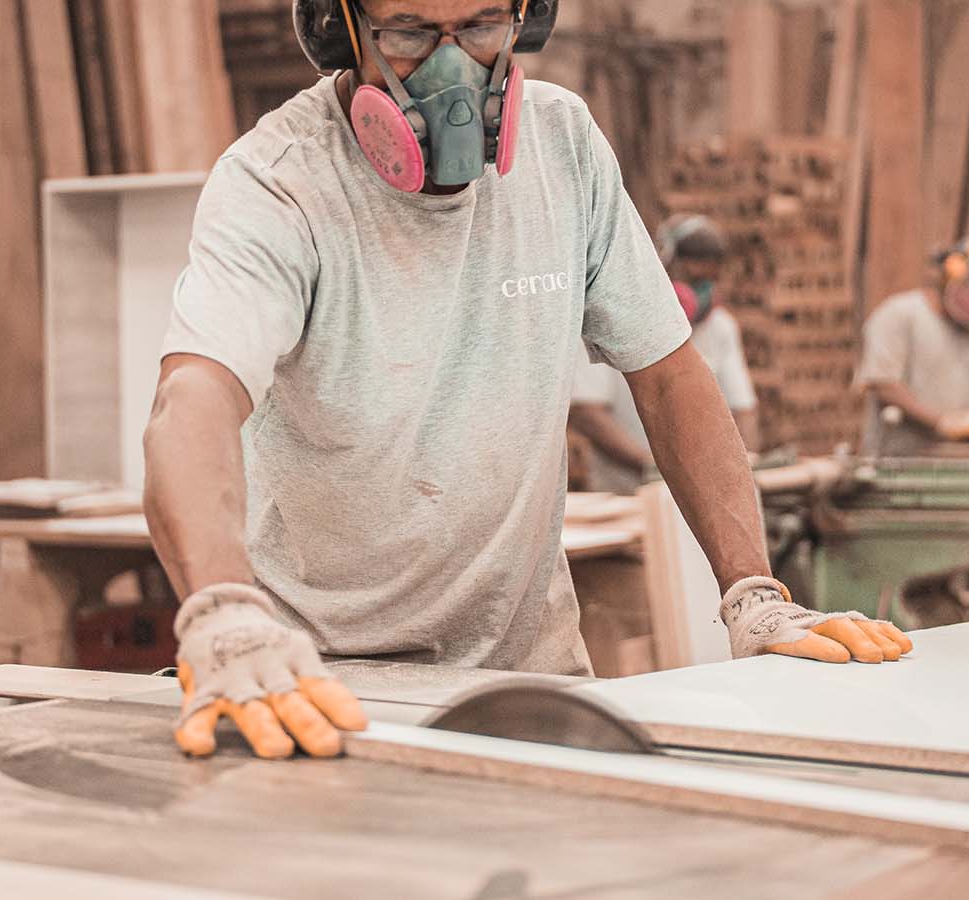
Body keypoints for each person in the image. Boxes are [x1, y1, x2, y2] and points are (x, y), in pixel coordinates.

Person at [144, 0, 913, 761]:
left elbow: (670, 373)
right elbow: (194, 399)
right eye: (409, 33)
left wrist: (754, 595)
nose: (453, 68)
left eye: (481, 27)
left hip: (528, 678)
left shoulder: (563, 141)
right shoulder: (279, 181)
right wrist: (224, 615)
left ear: (525, 21)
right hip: (312, 679)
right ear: (338, 31)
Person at [569, 214, 760, 494]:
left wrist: (737, 474)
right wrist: (656, 469)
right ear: (662, 263)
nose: (701, 291)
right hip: (628, 496)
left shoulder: (720, 328)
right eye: (694, 279)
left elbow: (743, 410)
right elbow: (587, 413)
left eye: (710, 281)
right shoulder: (609, 320)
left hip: (701, 496)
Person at [854, 237, 969, 457]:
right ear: (954, 274)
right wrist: (941, 422)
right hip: (897, 462)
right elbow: (884, 385)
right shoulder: (899, 315)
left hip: (956, 461)